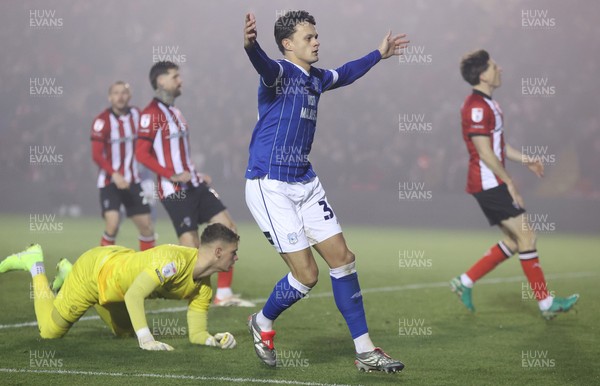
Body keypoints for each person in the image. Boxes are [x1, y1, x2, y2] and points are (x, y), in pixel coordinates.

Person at [242, 10, 408, 372]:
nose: (317, 41)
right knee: (307, 276)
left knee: (344, 259)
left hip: (305, 181)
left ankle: (365, 350)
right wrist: (251, 46)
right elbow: (264, 67)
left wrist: (378, 54)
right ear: (288, 44)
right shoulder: (280, 74)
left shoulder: (315, 77)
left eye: (316, 35)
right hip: (271, 184)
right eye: (309, 37)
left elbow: (345, 73)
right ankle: (263, 321)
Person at [450, 49, 579, 320]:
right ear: (483, 73)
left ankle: (465, 280)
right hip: (487, 182)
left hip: (491, 180)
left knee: (515, 239)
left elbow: (498, 145)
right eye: (495, 66)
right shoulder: (475, 107)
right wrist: (510, 182)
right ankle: (546, 304)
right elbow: (484, 152)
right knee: (527, 237)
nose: (501, 69)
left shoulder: (489, 104)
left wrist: (526, 159)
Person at [0, 223, 239, 350]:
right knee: (50, 332)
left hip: (117, 277)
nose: (236, 258)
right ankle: (34, 263)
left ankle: (67, 272)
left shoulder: (204, 287)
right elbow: (135, 295)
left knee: (124, 334)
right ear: (218, 252)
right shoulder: (173, 262)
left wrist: (213, 340)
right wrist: (146, 339)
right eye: (233, 253)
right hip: (94, 272)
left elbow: (196, 334)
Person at [135, 61, 254, 307]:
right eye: (175, 76)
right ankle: (175, 292)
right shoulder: (150, 114)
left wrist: (195, 174)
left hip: (195, 186)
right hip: (174, 190)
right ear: (161, 81)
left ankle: (223, 294)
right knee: (191, 249)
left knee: (228, 227)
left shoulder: (175, 112)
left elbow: (179, 153)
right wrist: (172, 174)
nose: (180, 80)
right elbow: (141, 154)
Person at [90, 81, 155, 252]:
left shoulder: (137, 115)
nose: (120, 97)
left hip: (133, 180)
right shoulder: (102, 121)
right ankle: (102, 267)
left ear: (130, 96)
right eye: (116, 93)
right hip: (110, 181)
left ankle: (147, 269)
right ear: (110, 97)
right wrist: (114, 174)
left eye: (124, 93)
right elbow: (97, 155)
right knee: (113, 223)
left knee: (147, 227)